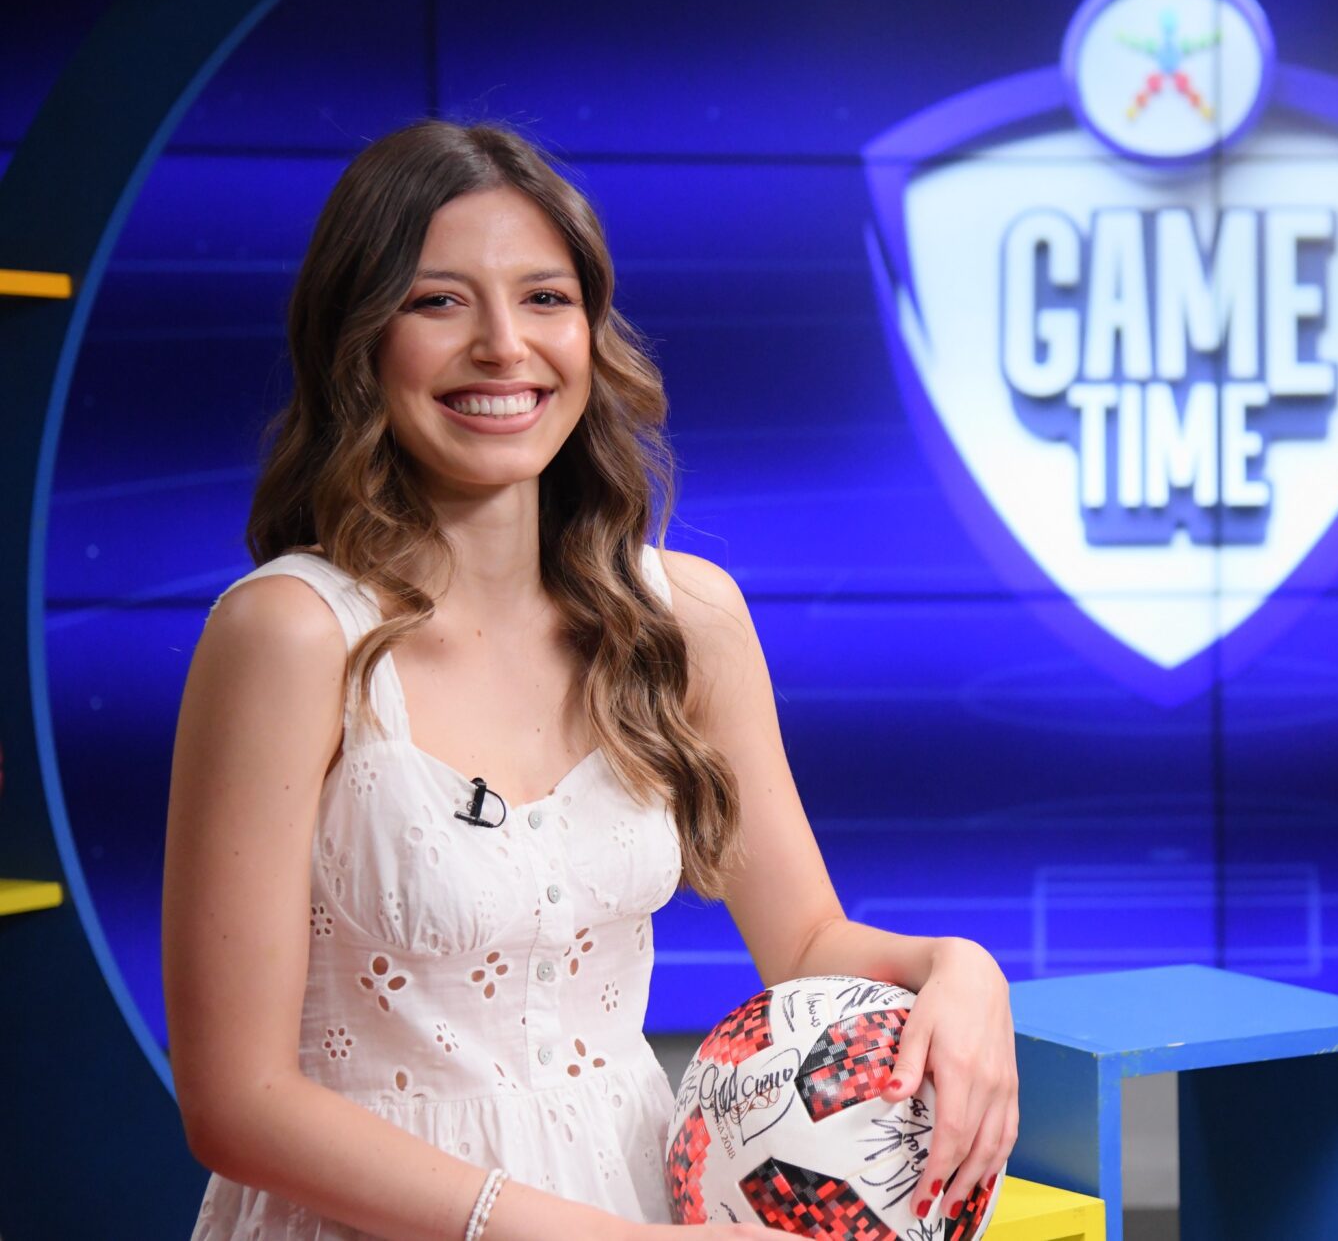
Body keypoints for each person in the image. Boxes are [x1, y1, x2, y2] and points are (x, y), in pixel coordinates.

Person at [161, 120, 1017, 1240]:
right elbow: (237, 1102)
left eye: (545, 299)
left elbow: (807, 946)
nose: (503, 346)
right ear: (358, 340)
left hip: (632, 1194)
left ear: (592, 333)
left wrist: (961, 967)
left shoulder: (686, 618)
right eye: (439, 301)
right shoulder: (288, 633)